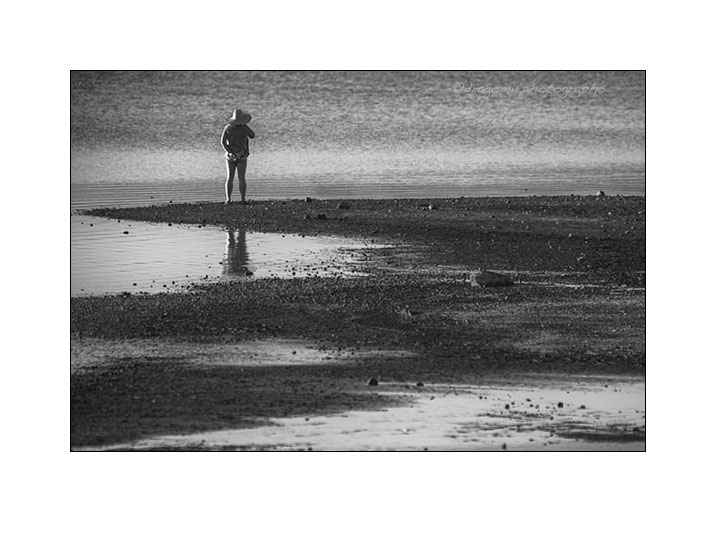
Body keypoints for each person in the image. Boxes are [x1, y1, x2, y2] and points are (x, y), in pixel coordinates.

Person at [221, 109, 255, 204]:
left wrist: (229, 152)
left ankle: (228, 199)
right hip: (242, 155)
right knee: (241, 177)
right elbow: (252, 135)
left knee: (230, 178)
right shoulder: (244, 128)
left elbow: (223, 142)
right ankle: (243, 199)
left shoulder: (228, 128)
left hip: (230, 156)